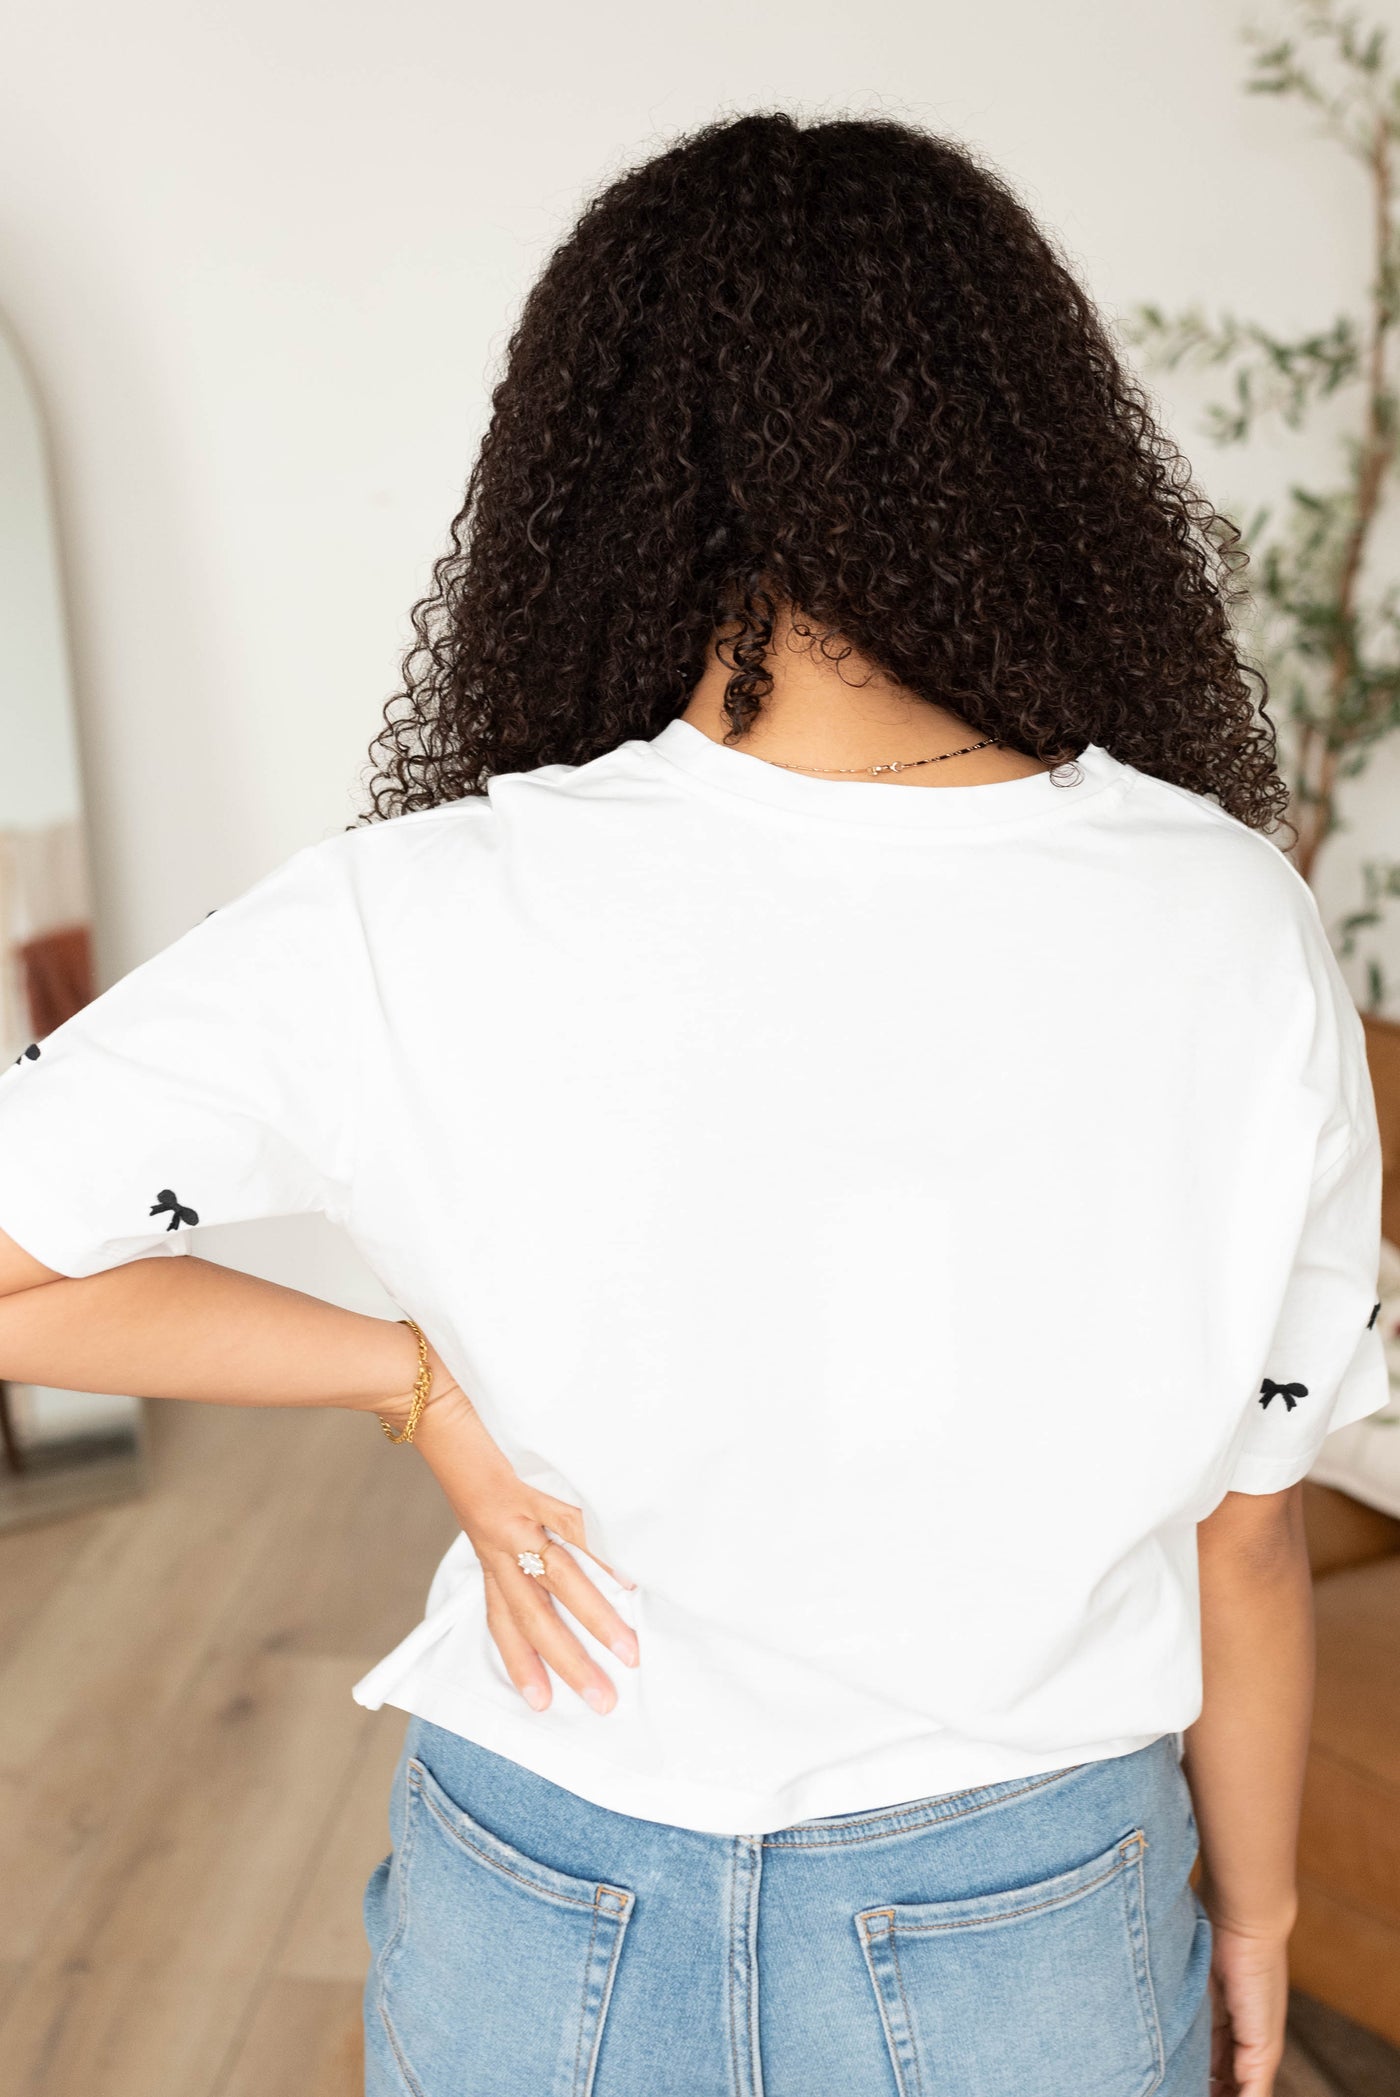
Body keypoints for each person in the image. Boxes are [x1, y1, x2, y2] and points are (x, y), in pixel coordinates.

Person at [0, 111, 1387, 2097]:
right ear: (1024, 454)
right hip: (1031, 1915)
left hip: (542, 1896)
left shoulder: (421, 904)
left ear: (589, 477)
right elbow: (1249, 1547)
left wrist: (410, 1381)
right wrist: (1250, 1917)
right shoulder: (1231, 918)